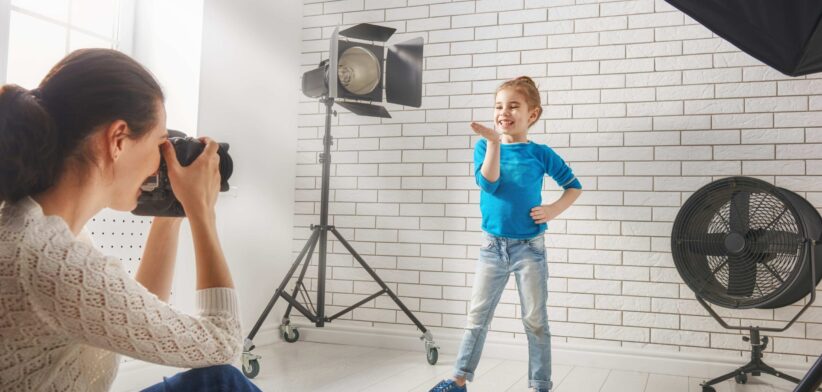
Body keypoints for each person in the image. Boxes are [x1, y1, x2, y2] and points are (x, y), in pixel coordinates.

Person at [0, 48, 260, 391]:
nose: (160, 161)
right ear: (118, 139)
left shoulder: (38, 228)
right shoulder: (55, 260)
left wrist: (172, 212)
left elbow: (132, 312)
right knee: (221, 381)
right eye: (159, 142)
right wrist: (202, 212)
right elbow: (224, 344)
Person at [429, 76, 583, 392]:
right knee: (477, 317)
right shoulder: (486, 146)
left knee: (535, 321)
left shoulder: (540, 153)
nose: (504, 112)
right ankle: (458, 380)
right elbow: (489, 182)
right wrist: (495, 144)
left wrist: (553, 209)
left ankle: (540, 385)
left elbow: (573, 186)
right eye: (499, 106)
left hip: (530, 249)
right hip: (491, 248)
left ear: (532, 114)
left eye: (513, 105)